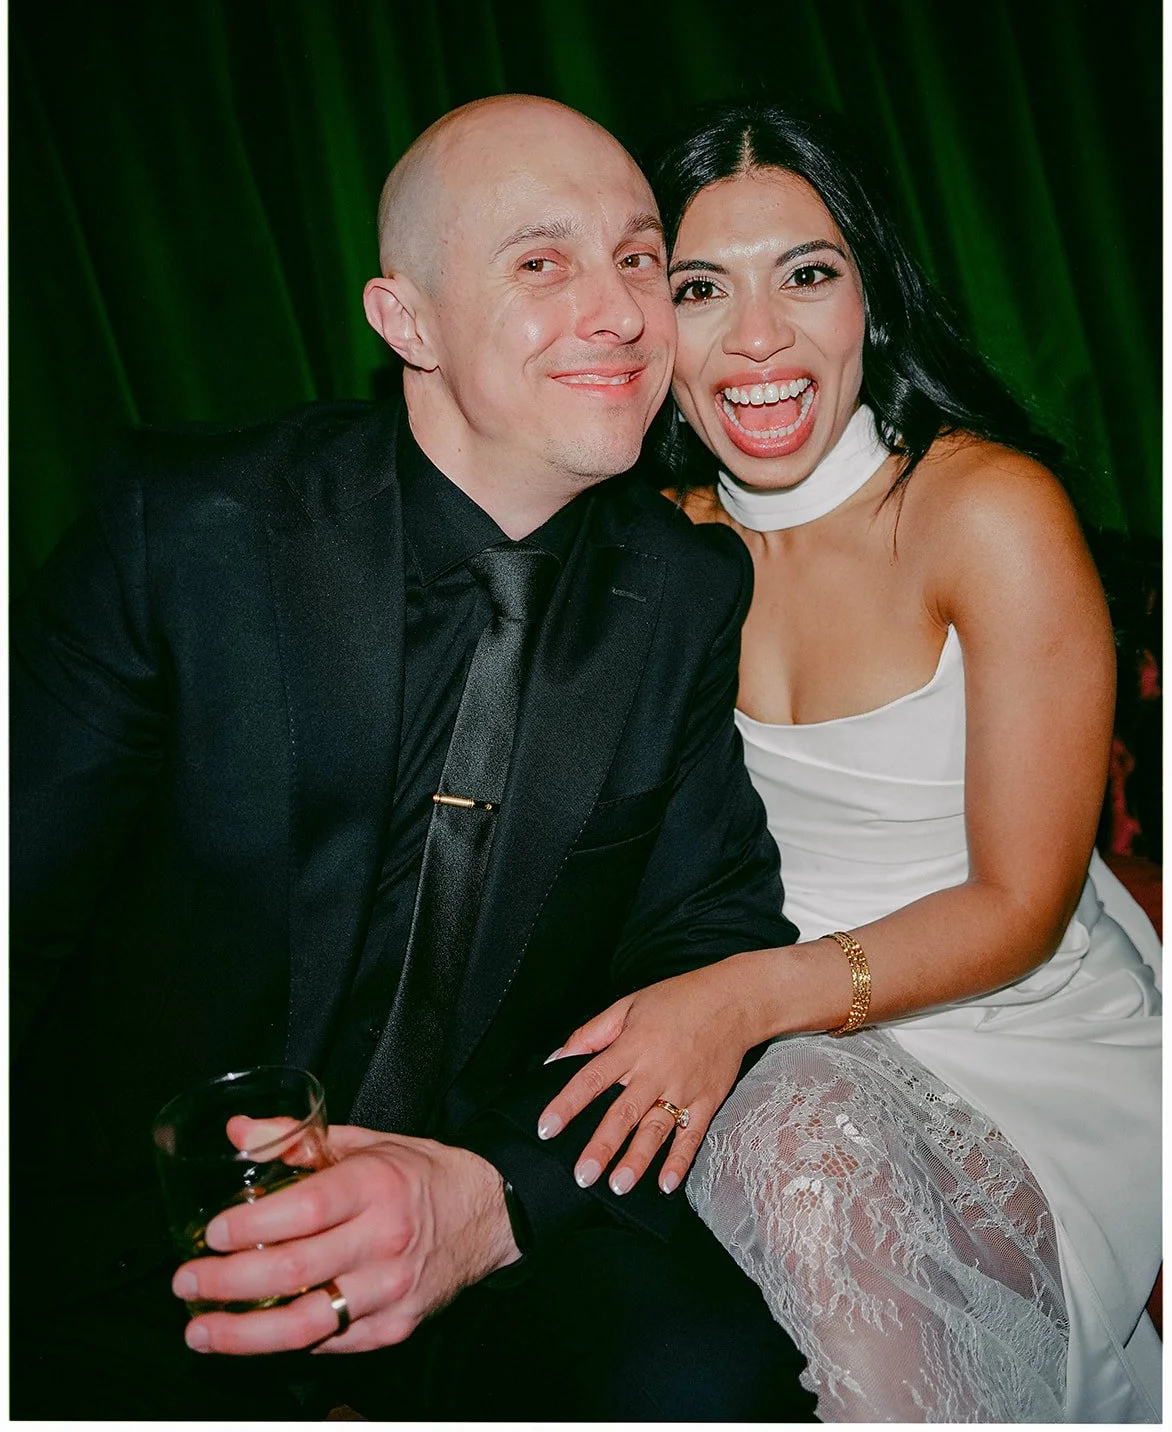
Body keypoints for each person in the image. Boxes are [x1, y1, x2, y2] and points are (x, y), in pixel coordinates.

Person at [9, 95, 817, 1421]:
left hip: (487, 1224)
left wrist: (494, 1199)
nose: (621, 311)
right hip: (144, 1251)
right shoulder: (188, 532)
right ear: (408, 322)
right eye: (540, 262)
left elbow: (704, 938)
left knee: (729, 1384)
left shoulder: (680, 587)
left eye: (637, 257)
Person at [541, 103, 1162, 1422]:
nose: (758, 341)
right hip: (777, 1037)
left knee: (796, 1137)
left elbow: (1025, 909)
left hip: (1021, 1033)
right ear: (649, 320)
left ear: (871, 301)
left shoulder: (983, 511)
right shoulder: (653, 542)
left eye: (808, 276)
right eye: (703, 288)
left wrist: (741, 1004)